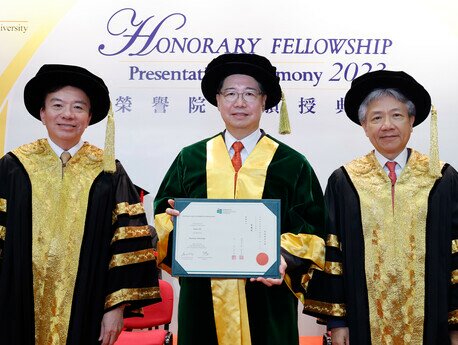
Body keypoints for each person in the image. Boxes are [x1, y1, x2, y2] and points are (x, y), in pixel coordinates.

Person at [153, 53, 326, 345]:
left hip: (267, 298)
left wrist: (282, 258)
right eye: (230, 93)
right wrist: (174, 227)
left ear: (264, 100)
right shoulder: (190, 159)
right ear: (218, 100)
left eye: (249, 93)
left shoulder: (292, 163)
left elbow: (313, 230)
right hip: (203, 297)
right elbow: (162, 215)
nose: (240, 102)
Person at [0, 64, 160, 345]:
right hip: (17, 303)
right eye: (57, 105)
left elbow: (127, 244)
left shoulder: (109, 171)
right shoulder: (13, 167)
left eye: (78, 107)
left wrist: (116, 308)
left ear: (88, 118)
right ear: (42, 113)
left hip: (88, 304)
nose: (67, 115)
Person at [302, 70, 458, 344]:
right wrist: (338, 322)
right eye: (376, 117)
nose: (387, 125)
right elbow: (332, 253)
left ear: (412, 121)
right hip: (363, 324)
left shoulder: (442, 179)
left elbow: (457, 255)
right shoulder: (344, 181)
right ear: (364, 126)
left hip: (432, 325)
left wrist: (456, 325)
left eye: (397, 115)